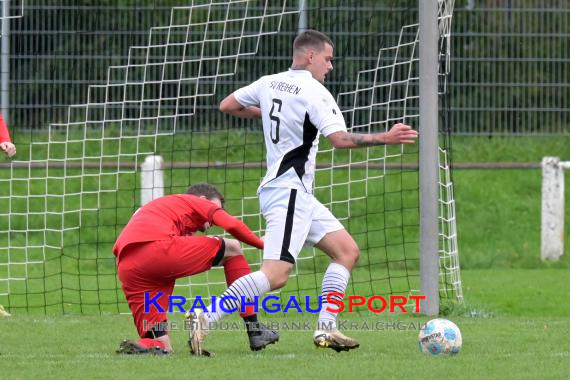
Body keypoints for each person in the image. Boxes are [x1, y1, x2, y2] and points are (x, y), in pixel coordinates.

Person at [188, 29, 418, 355]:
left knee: (346, 252)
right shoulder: (315, 92)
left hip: (295, 194)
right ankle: (205, 315)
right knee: (276, 274)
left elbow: (228, 104)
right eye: (328, 59)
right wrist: (386, 138)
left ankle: (326, 329)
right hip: (289, 192)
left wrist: (268, 114)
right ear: (310, 56)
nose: (331, 66)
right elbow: (339, 140)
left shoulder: (269, 82)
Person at [113, 183, 278, 355]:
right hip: (158, 249)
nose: (215, 220)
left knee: (161, 345)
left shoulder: (161, 210)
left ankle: (150, 345)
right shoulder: (194, 201)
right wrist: (261, 244)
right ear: (204, 200)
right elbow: (232, 226)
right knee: (233, 247)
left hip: (127, 265)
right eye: (217, 209)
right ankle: (255, 330)